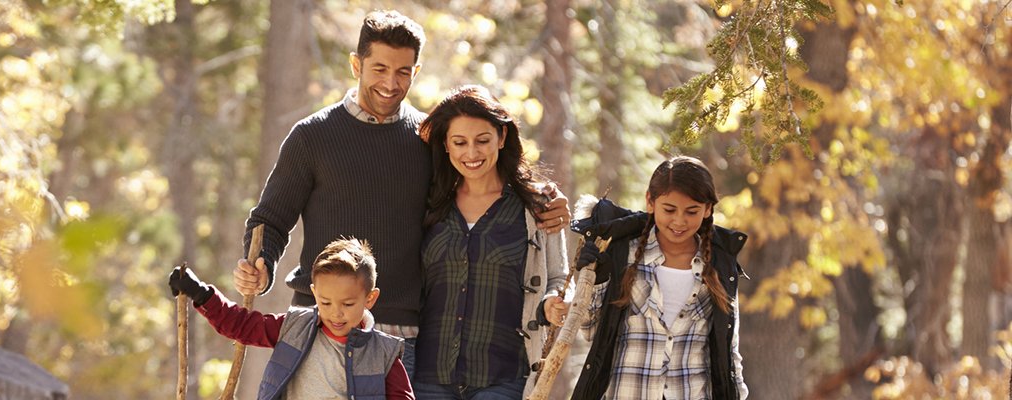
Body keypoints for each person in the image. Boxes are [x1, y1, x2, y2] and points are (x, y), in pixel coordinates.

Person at [234, 10, 570, 382]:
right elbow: (270, 221)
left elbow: (481, 182)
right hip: (318, 326)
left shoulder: (428, 140)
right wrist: (261, 265)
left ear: (416, 71)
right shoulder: (311, 136)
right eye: (379, 68)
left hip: (398, 337)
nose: (390, 83)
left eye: (403, 71)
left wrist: (541, 198)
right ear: (356, 64)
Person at [411, 85, 569, 399]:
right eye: (460, 142)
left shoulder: (537, 205)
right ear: (445, 145)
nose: (471, 153)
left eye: (482, 140)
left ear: (501, 137)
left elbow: (558, 276)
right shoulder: (429, 203)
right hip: (429, 375)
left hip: (503, 376)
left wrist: (552, 302)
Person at [566, 156, 750, 399]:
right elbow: (591, 332)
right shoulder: (623, 253)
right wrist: (596, 279)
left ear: (707, 210)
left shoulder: (720, 265)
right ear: (650, 202)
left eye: (692, 211)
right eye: (669, 209)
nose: (679, 221)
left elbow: (729, 349)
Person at [169, 238, 413, 399]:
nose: (336, 313)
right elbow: (243, 325)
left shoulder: (384, 353)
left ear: (369, 299)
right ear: (314, 293)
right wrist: (200, 293)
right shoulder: (295, 327)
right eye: (325, 302)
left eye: (348, 304)